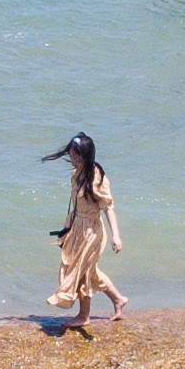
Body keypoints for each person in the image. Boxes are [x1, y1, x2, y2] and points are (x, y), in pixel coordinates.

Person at [42, 132, 125, 322]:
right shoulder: (76, 173)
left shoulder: (96, 178)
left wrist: (116, 236)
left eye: (76, 155)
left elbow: (108, 207)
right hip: (77, 227)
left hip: (91, 231)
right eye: (71, 154)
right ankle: (118, 299)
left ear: (86, 155)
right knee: (89, 270)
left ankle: (84, 315)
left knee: (82, 271)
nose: (72, 158)